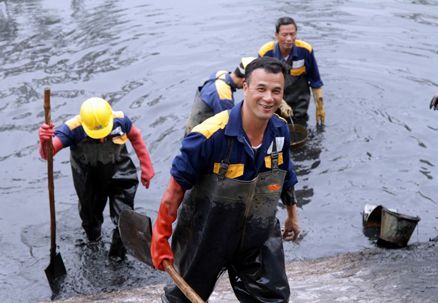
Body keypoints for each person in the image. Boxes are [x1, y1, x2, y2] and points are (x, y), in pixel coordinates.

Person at [152, 57, 300, 302]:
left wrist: (292, 215)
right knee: (183, 299)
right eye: (261, 89)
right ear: (246, 88)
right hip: (207, 233)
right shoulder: (208, 136)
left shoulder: (280, 131)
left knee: (273, 298)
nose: (268, 98)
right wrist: (160, 236)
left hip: (258, 229)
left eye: (276, 91)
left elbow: (286, 174)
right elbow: (175, 190)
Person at [38, 97, 154, 261]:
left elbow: (135, 136)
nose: (100, 138)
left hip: (119, 173)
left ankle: (118, 258)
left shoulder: (119, 120)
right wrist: (44, 140)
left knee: (124, 217)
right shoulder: (72, 129)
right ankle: (93, 244)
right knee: (90, 218)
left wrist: (146, 167)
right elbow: (47, 154)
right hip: (88, 177)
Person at [184, 57, 293, 135]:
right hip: (201, 132)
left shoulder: (221, 74)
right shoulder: (223, 95)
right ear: (245, 82)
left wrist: (282, 103)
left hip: (192, 123)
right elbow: (230, 124)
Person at [258, 16, 325, 126]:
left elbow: (315, 81)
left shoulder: (305, 50)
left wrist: (320, 106)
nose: (289, 39)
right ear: (276, 35)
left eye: (292, 34)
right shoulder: (265, 53)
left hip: (299, 103)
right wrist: (280, 103)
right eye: (284, 35)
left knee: (300, 129)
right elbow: (261, 86)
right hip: (273, 102)